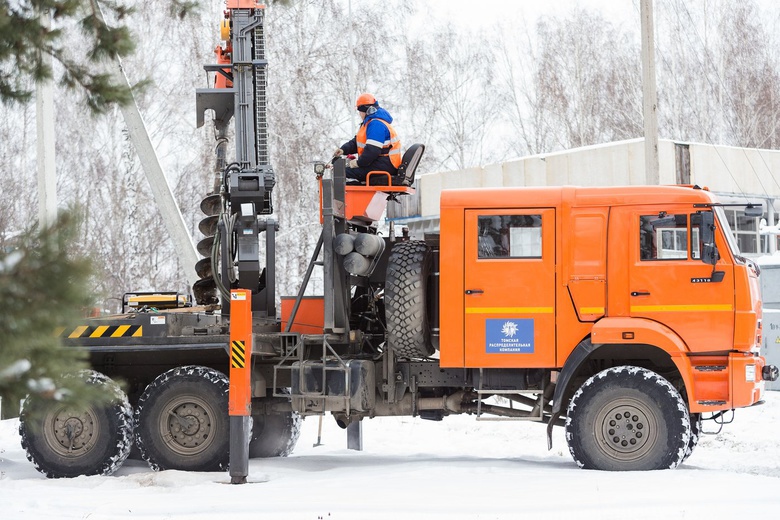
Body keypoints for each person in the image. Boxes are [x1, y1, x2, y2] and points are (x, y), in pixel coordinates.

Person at [333, 93, 401, 185]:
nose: (359, 114)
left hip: (384, 165)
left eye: (360, 111)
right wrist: (343, 149)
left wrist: (357, 163)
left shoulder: (376, 125)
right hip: (380, 164)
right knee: (346, 171)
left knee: (342, 173)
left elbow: (372, 150)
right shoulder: (371, 123)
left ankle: (351, 198)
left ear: (366, 110)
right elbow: (356, 142)